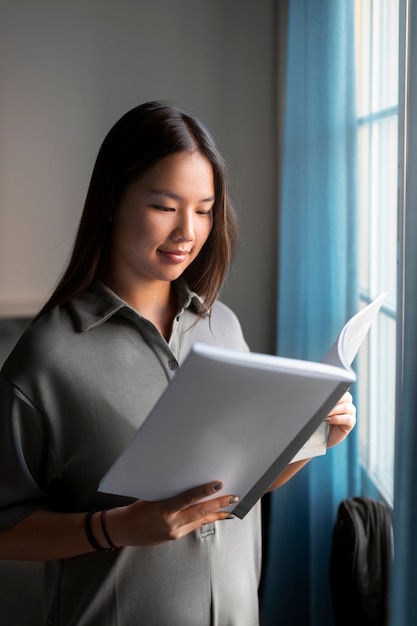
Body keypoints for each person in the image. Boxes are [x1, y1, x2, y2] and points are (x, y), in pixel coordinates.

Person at [0, 101, 356, 626]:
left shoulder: (223, 327)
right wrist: (118, 527)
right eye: (165, 206)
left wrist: (314, 440)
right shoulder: (49, 357)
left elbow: (229, 493)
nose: (187, 232)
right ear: (112, 202)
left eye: (205, 208)